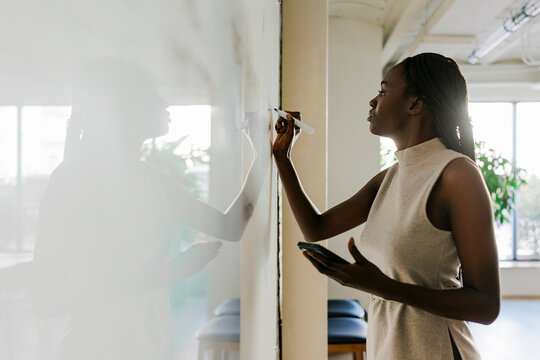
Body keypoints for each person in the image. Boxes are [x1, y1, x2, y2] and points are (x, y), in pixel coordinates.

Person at [33, 58, 268, 360]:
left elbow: (229, 227)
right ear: (122, 109)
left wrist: (263, 154)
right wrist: (166, 274)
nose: (164, 103)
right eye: (152, 95)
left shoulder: (150, 178)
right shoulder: (72, 178)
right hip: (96, 348)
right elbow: (46, 298)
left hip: (148, 344)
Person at [272, 52, 500, 360]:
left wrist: (383, 287)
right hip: (388, 348)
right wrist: (283, 159)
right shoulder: (392, 176)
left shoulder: (458, 176)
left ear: (415, 104)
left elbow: (485, 306)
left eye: (382, 91)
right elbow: (317, 228)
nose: (372, 102)